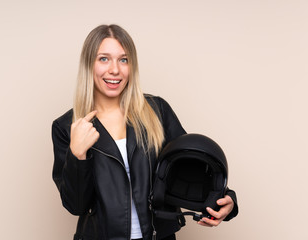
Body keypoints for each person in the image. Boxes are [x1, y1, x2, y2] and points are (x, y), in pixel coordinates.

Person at [52, 24, 238, 240]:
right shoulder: (67, 127)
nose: (115, 70)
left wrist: (226, 199)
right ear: (88, 64)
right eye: (103, 59)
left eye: (124, 59)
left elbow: (190, 167)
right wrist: (78, 156)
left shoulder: (156, 110)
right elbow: (76, 205)